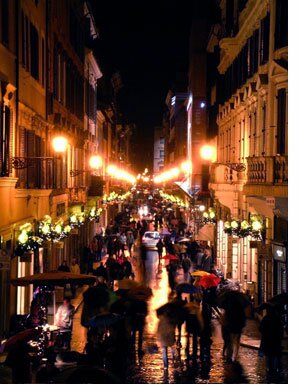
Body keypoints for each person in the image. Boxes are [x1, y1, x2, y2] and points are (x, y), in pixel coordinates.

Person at [259, 304, 284, 377]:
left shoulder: (266, 318)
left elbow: (261, 329)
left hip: (268, 340)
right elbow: (281, 331)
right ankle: (276, 369)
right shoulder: (278, 318)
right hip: (276, 340)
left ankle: (270, 370)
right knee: (275, 355)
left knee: (269, 356)